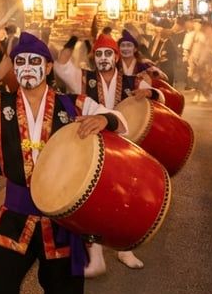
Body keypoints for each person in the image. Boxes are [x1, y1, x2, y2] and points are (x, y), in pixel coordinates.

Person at [0, 29, 126, 294]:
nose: (27, 67)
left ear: (46, 68)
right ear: (15, 67)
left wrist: (104, 120)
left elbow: (120, 121)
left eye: (35, 61)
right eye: (21, 61)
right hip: (15, 220)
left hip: (63, 221)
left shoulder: (73, 105)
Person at [55, 31, 156, 272]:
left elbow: (152, 89)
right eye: (98, 54)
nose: (103, 58)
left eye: (107, 53)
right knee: (93, 200)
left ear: (116, 56)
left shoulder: (131, 81)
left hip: (125, 150)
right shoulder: (84, 79)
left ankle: (125, 249)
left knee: (125, 199)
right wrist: (73, 39)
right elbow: (61, 65)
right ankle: (96, 256)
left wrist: (148, 92)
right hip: (93, 149)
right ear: (94, 57)